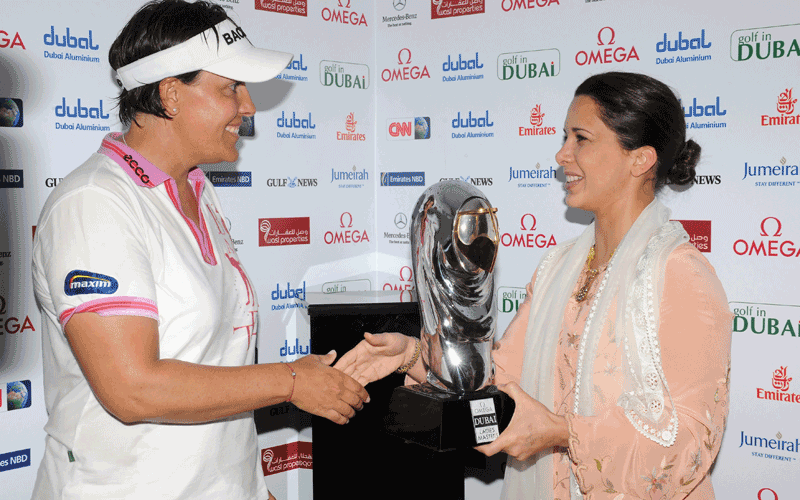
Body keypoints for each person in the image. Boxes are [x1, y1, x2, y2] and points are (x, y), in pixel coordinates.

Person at [336, 72, 732, 499]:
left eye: (581, 138)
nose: (562, 154)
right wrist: (414, 354)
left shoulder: (682, 276)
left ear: (640, 160)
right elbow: (502, 379)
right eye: (565, 137)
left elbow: (690, 444)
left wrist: (562, 433)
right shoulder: (558, 268)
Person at [30, 2, 368, 499]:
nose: (248, 107)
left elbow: (214, 367)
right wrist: (292, 381)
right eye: (231, 87)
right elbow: (132, 388)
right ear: (171, 95)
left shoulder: (197, 190)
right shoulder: (95, 203)